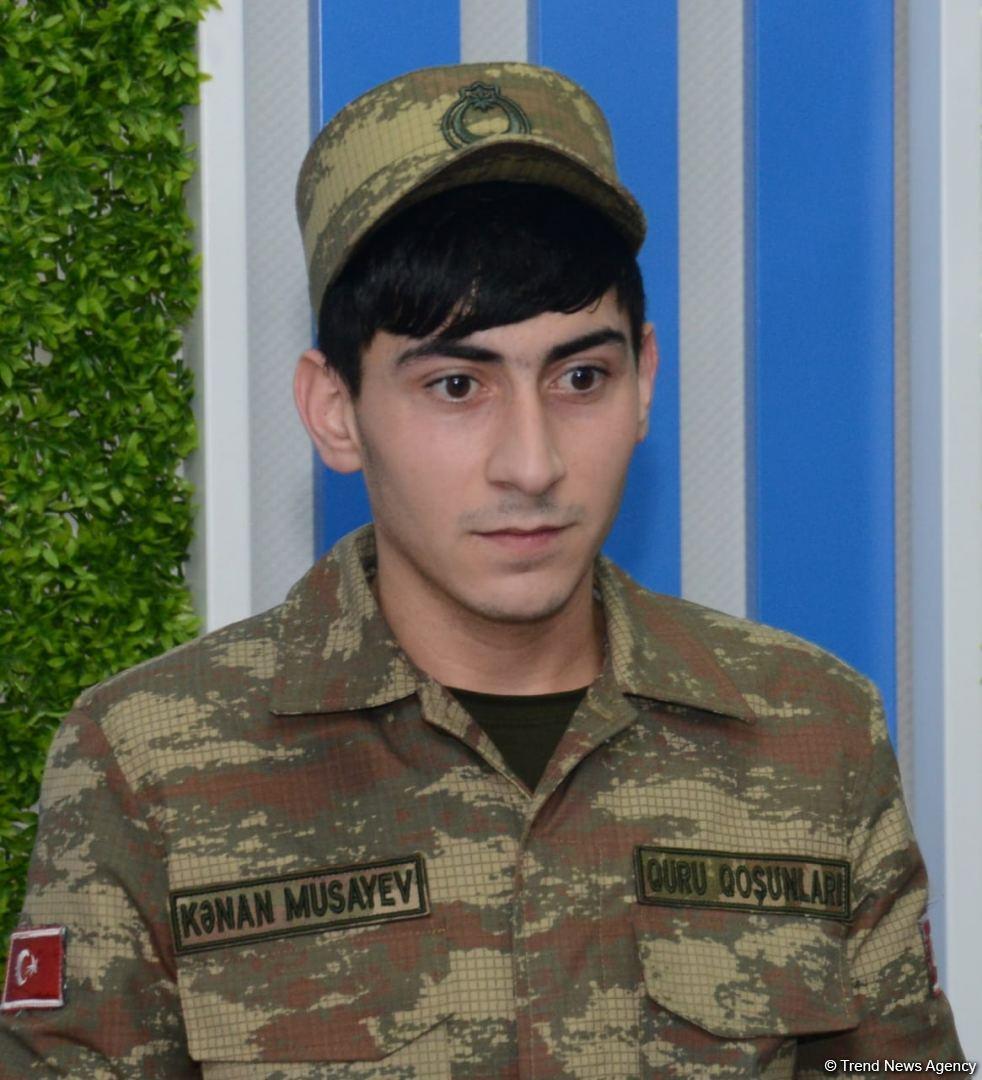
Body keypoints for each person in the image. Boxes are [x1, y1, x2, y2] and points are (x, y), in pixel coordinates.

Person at [0, 61, 964, 1077]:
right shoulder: (151, 761)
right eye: (457, 385)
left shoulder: (810, 731)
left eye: (581, 376)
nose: (532, 465)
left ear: (645, 380)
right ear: (335, 410)